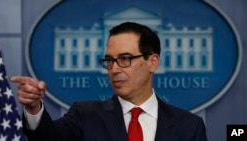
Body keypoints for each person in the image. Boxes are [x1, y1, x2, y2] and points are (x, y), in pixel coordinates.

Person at [11, 22, 207, 141]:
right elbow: (49, 139)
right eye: (109, 60)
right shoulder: (85, 116)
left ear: (152, 62)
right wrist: (34, 108)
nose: (114, 69)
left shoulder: (189, 126)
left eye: (125, 59)